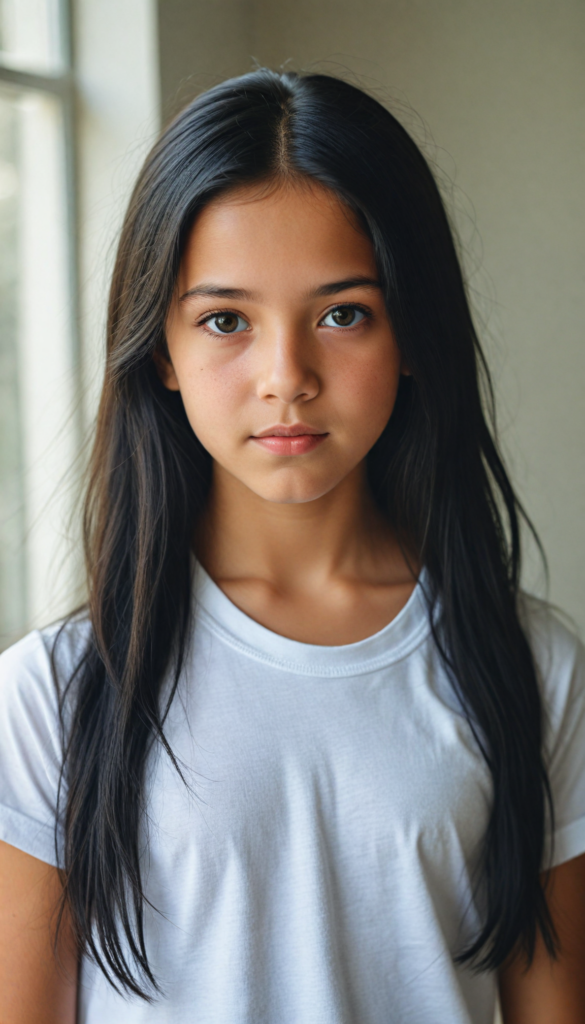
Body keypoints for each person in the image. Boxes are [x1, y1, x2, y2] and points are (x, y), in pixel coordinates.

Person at [0, 69, 583, 1024]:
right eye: (225, 320)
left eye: (341, 313)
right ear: (162, 351)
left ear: (411, 331)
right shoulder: (51, 699)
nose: (286, 377)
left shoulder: (530, 669)